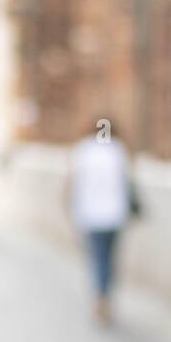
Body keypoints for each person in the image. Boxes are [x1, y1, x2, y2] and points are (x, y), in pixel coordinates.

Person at [65, 119, 135, 327]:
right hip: (114, 216)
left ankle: (100, 297)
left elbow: (73, 182)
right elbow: (127, 181)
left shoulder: (83, 150)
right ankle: (105, 296)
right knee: (109, 258)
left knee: (98, 258)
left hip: (91, 215)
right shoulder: (118, 150)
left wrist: (71, 208)